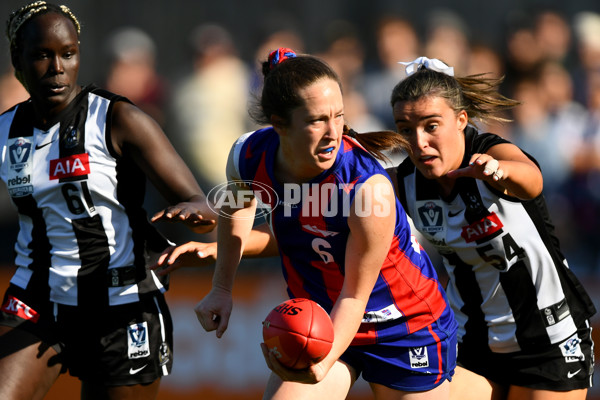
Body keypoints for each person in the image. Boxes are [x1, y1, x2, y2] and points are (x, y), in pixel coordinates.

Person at [190, 48, 458, 400]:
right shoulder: (247, 155)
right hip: (321, 319)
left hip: (403, 325)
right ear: (279, 124)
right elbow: (237, 210)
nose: (334, 132)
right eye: (317, 120)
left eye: (339, 116)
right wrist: (221, 289)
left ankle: (486, 386)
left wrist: (324, 361)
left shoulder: (367, 188)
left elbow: (355, 296)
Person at [0, 2, 216, 399]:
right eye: (42, 55)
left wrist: (195, 213)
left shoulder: (116, 118)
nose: (57, 68)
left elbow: (196, 200)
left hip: (119, 301)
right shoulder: (5, 130)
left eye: (67, 53)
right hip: (37, 297)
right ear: (18, 58)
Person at [387, 56, 596, 400]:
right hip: (471, 340)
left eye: (431, 125)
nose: (419, 142)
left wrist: (500, 170)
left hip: (548, 337)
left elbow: (532, 180)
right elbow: (350, 205)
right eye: (406, 129)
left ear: (461, 120)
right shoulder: (404, 180)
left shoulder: (487, 152)